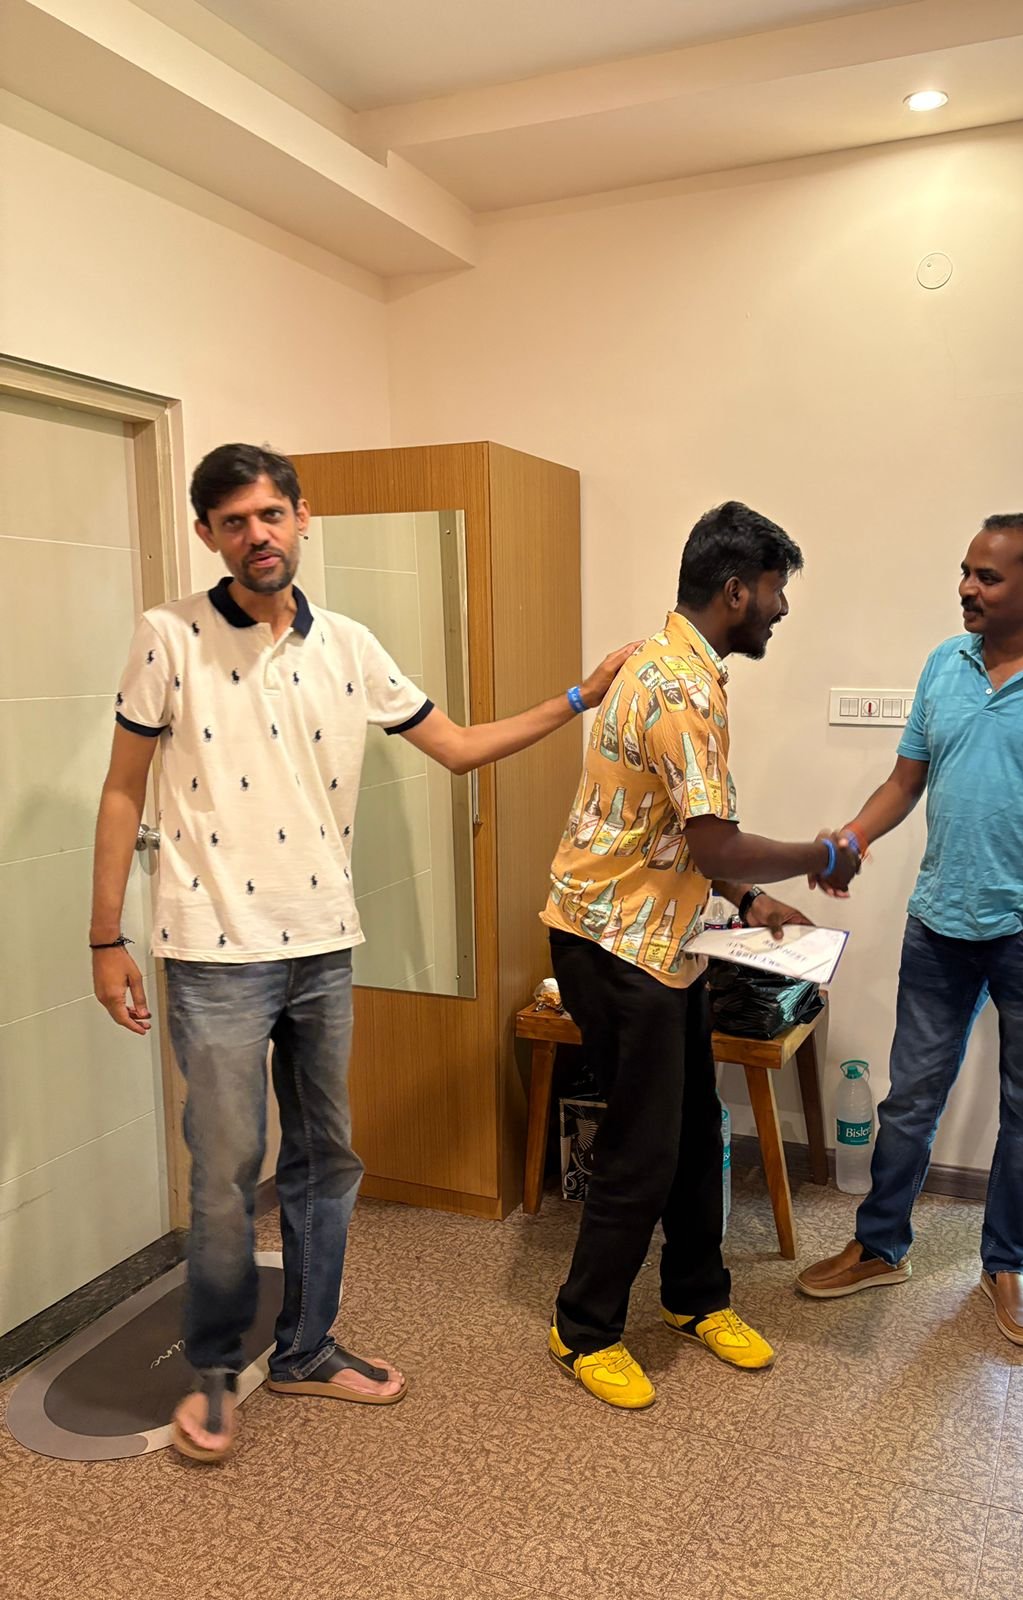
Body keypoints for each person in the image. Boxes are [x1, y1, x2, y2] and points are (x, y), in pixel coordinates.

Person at [90, 443, 635, 1461]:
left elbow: (457, 746)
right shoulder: (169, 637)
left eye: (271, 514)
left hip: (323, 943)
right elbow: (123, 789)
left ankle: (306, 1347)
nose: (257, 535)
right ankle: (214, 1370)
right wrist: (103, 935)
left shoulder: (348, 643)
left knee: (326, 1158)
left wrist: (580, 698)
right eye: (234, 522)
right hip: (210, 950)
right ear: (208, 535)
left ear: (303, 517)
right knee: (225, 1170)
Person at [797, 513, 1023, 1346]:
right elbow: (905, 782)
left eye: (988, 577)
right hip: (940, 925)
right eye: (966, 571)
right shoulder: (945, 665)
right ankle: (879, 1246)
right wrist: (849, 840)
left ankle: (1008, 1265)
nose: (967, 587)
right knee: (910, 1098)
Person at [542, 500, 861, 1409]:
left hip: (661, 936)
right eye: (775, 589)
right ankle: (581, 1328)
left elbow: (676, 833)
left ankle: (694, 1299)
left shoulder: (671, 664)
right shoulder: (679, 690)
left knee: (692, 1130)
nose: (782, 607)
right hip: (614, 943)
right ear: (736, 591)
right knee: (642, 1145)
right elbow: (716, 840)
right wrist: (819, 855)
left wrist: (750, 901)